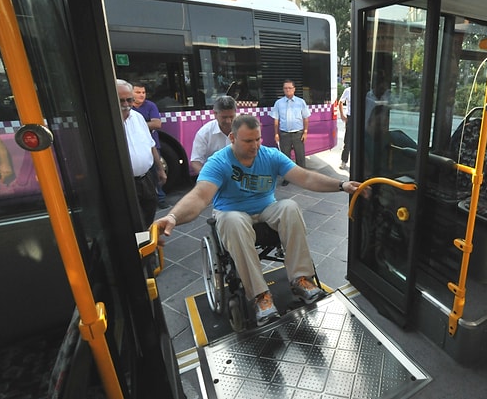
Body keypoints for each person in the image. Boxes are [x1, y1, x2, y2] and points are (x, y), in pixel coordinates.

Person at [154, 114, 365, 326]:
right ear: (232, 138)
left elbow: (306, 177)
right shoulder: (219, 162)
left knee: (290, 207)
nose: (255, 146)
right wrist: (173, 216)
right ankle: (260, 296)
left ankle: (301, 280)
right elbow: (200, 196)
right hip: (231, 211)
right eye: (248, 141)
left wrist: (341, 185)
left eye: (257, 139)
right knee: (234, 221)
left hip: (265, 209)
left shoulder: (270, 155)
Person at [117, 79, 167, 231]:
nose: (126, 104)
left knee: (148, 217)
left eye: (129, 100)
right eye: (121, 100)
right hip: (125, 184)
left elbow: (150, 144)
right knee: (134, 223)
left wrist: (160, 169)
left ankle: (147, 246)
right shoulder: (108, 121)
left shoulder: (137, 118)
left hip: (146, 180)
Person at [132, 82, 167, 209]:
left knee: (156, 172)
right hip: (135, 148)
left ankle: (161, 198)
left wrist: (137, 126)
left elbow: (157, 124)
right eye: (138, 92)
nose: (141, 95)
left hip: (152, 145)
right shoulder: (128, 108)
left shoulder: (150, 105)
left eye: (143, 92)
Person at [271, 80, 310, 185]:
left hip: (298, 133)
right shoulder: (278, 103)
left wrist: (305, 132)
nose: (287, 90)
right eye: (285, 88)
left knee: (300, 157)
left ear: (294, 89)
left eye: (290, 88)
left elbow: (306, 118)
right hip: (284, 134)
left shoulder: (301, 102)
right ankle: (287, 178)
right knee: (285, 158)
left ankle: (302, 178)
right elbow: (276, 120)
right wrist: (276, 134)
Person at [190, 96, 237, 175]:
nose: (228, 121)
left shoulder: (243, 128)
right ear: (215, 114)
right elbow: (196, 161)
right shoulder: (204, 133)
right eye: (224, 117)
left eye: (231, 117)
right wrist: (208, 178)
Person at [338, 85, 352, 170]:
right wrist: (342, 115)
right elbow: (340, 102)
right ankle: (344, 161)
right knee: (348, 141)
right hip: (350, 118)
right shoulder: (348, 90)